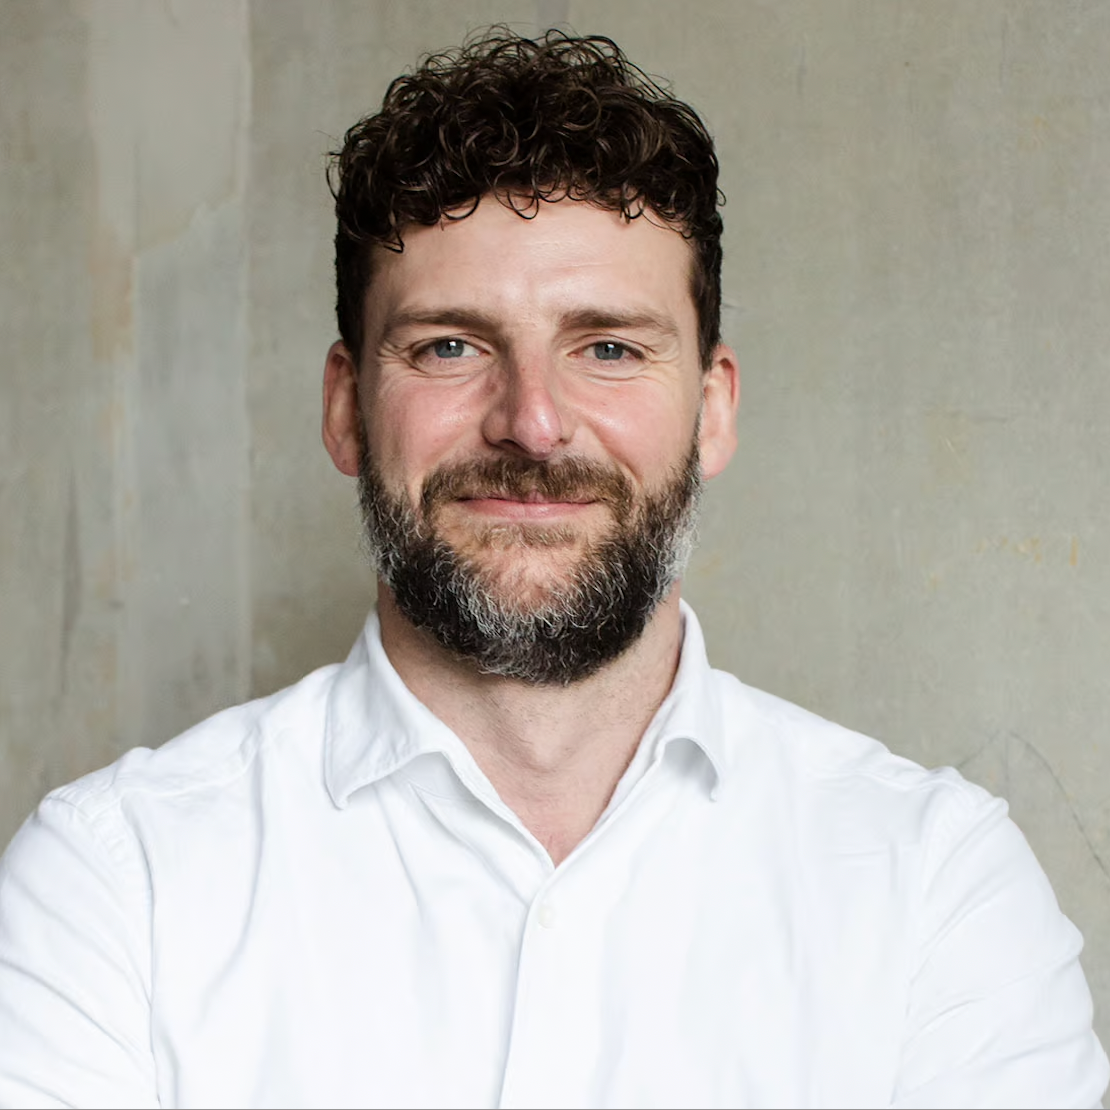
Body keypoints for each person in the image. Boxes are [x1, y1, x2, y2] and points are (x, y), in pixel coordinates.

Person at [0, 28, 1105, 1110]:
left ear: (712, 409)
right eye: (450, 345)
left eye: (609, 348)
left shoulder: (936, 891)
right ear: (345, 408)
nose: (532, 424)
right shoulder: (115, 887)